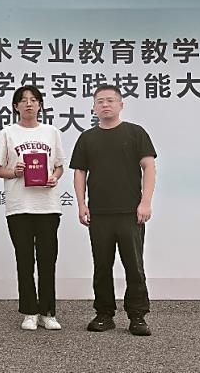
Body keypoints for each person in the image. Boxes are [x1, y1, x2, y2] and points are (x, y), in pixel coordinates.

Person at [70, 84, 157, 336]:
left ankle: (137, 316)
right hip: (99, 213)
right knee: (102, 266)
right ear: (94, 107)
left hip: (131, 213)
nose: (105, 105)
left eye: (110, 100)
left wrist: (145, 202)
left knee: (134, 266)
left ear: (121, 104)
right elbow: (80, 172)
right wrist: (82, 204)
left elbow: (149, 167)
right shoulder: (87, 138)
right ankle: (104, 314)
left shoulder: (136, 133)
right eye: (100, 101)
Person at [0, 85, 66, 331]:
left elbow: (59, 165)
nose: (29, 104)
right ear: (16, 106)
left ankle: (48, 312)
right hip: (19, 206)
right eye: (23, 100)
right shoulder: (7, 133)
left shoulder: (51, 132)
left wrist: (54, 177)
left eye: (34, 100)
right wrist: (14, 172)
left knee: (48, 260)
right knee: (24, 260)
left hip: (47, 206)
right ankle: (29, 312)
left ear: (40, 105)